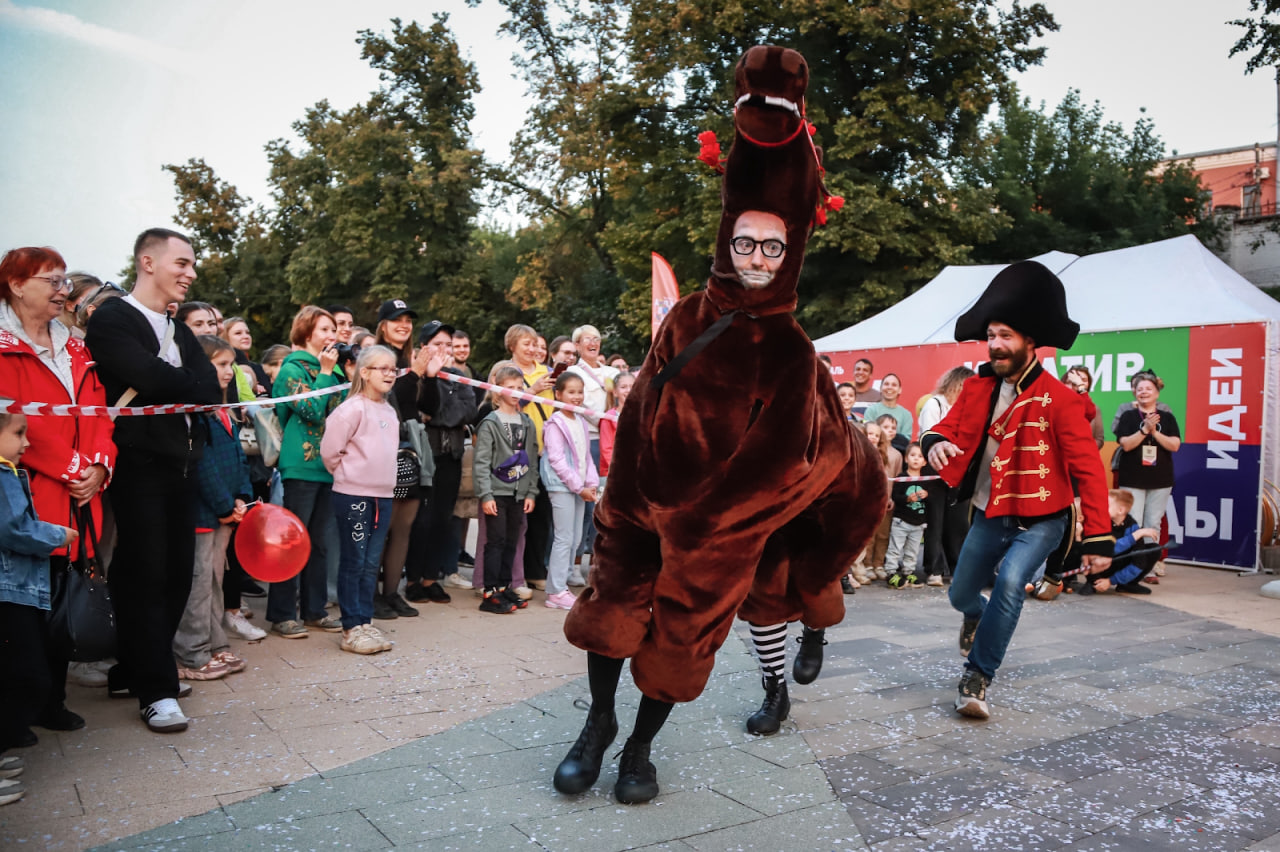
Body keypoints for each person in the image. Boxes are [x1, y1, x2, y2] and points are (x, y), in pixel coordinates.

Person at [553, 47, 884, 803]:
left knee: (679, 643)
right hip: (642, 502)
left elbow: (774, 464)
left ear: (789, 250)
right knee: (609, 614)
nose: (758, 257)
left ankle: (639, 748)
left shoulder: (794, 351)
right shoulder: (687, 320)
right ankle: (597, 724)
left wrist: (702, 527)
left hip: (716, 531)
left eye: (773, 246)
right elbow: (642, 408)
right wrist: (627, 497)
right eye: (746, 243)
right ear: (727, 242)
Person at [921, 260, 1113, 721]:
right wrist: (935, 443)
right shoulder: (977, 388)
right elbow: (946, 428)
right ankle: (974, 616)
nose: (995, 345)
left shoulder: (1064, 401)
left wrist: (1099, 535)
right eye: (991, 335)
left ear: (1030, 341)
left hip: (1044, 519)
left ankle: (977, 676)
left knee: (1010, 583)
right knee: (960, 594)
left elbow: (1088, 469)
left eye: (1005, 335)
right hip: (988, 513)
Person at [84, 228, 223, 733]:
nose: (190, 274)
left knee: (173, 574)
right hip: (138, 467)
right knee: (146, 576)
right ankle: (156, 689)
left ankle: (135, 668)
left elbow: (209, 390)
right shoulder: (114, 319)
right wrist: (185, 385)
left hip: (182, 466)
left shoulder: (176, 327)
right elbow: (167, 380)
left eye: (192, 265)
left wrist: (181, 385)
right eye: (181, 263)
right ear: (147, 262)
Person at [0, 246, 116, 721]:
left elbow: (100, 414)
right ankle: (19, 709)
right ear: (16, 285)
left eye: (64, 280)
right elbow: (17, 421)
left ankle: (52, 701)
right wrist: (74, 470)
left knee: (66, 595)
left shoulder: (76, 346)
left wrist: (100, 468)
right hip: (28, 494)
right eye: (51, 280)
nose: (62, 290)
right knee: (26, 607)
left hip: (81, 496)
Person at [0, 410, 79, 803]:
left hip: (16, 587)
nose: (26, 443)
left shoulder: (9, 471)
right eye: (18, 434)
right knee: (26, 675)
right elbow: (13, 529)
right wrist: (58, 534)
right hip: (9, 589)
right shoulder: (2, 475)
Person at [173, 335, 251, 681]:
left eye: (230, 364)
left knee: (215, 580)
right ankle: (191, 653)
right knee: (198, 583)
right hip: (203, 514)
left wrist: (241, 498)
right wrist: (223, 504)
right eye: (220, 364)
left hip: (224, 511)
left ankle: (215, 643)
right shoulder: (196, 412)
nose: (229, 372)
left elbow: (235, 458)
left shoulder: (221, 409)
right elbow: (202, 465)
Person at [267, 306, 347, 639]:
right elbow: (313, 410)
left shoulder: (336, 369)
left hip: (330, 465)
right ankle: (282, 614)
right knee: (292, 541)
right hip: (300, 465)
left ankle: (314, 610)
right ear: (306, 333)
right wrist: (327, 373)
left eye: (334, 329)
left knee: (320, 544)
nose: (333, 335)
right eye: (325, 330)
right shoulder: (292, 369)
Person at [321, 345, 400, 654]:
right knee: (354, 560)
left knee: (370, 562)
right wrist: (349, 474)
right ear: (364, 372)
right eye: (382, 368)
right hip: (354, 495)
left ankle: (365, 621)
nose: (390, 374)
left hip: (382, 496)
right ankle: (351, 627)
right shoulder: (351, 408)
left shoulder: (389, 411)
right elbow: (330, 451)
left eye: (393, 369)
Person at [403, 320, 476, 603]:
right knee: (420, 520)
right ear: (424, 347)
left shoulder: (459, 377)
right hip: (424, 457)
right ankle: (412, 580)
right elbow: (420, 409)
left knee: (443, 520)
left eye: (448, 344)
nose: (444, 350)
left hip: (452, 456)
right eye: (437, 344)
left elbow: (466, 412)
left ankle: (432, 578)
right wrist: (434, 412)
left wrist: (438, 417)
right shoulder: (414, 376)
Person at [371, 299, 425, 618]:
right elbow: (394, 401)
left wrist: (425, 377)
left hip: (409, 453)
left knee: (403, 525)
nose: (403, 325)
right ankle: (373, 595)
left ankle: (392, 593)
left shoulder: (411, 359)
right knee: (383, 525)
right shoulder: (375, 355)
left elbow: (420, 406)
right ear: (382, 325)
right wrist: (415, 374)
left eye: (407, 319)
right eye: (395, 320)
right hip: (381, 453)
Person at [472, 363, 540, 614]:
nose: (515, 391)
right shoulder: (490, 423)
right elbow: (481, 462)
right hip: (497, 492)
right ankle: (489, 592)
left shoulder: (526, 422)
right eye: (509, 387)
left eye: (519, 387)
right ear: (497, 391)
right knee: (496, 541)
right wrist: (485, 494)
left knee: (512, 540)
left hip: (518, 493)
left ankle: (503, 586)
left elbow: (531, 459)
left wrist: (531, 491)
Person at [541, 372, 600, 610]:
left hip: (579, 489)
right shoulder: (556, 423)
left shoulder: (581, 421)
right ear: (558, 394)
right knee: (564, 537)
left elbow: (586, 457)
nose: (577, 397)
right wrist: (578, 486)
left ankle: (561, 583)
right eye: (571, 392)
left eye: (580, 391)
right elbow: (557, 460)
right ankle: (555, 591)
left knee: (576, 538)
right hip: (562, 487)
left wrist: (591, 483)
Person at [1113, 370, 1180, 570]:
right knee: (1133, 523)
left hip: (1160, 479)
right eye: (1140, 389)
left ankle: (1147, 567)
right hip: (1132, 478)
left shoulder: (1166, 417)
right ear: (1135, 392)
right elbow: (1126, 444)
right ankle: (1129, 565)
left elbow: (1174, 445)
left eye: (1148, 389)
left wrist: (1154, 433)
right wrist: (1144, 430)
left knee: (1153, 523)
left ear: (1157, 393)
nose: (1144, 392)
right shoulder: (1127, 415)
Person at [505, 324, 555, 591]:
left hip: (545, 450)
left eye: (535, 344)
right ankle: (515, 573)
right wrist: (532, 389)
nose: (533, 349)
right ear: (512, 345)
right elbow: (503, 403)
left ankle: (536, 569)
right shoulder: (504, 371)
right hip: (515, 449)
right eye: (526, 343)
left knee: (541, 513)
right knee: (516, 514)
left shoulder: (547, 372)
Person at [567, 324, 619, 573]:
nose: (593, 342)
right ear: (577, 345)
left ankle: (598, 562)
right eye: (587, 339)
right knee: (588, 502)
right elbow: (577, 404)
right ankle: (575, 563)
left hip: (615, 440)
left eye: (597, 339)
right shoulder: (573, 371)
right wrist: (606, 419)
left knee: (609, 503)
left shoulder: (610, 371)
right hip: (588, 440)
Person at [918, 366, 975, 586]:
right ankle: (934, 568)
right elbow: (928, 434)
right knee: (936, 519)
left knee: (959, 521)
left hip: (959, 468)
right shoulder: (935, 404)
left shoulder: (968, 408)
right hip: (935, 466)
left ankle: (957, 567)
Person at [1077, 489, 1161, 596]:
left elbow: (1139, 562)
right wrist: (1135, 536)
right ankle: (1092, 582)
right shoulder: (1098, 523)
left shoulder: (1132, 526)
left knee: (1153, 550)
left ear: (1120, 510)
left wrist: (1111, 581)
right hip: (1100, 565)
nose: (1100, 507)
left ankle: (1128, 584)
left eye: (1106, 505)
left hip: (1118, 564)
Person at [885, 443, 928, 589]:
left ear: (925, 462)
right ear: (906, 459)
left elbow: (932, 500)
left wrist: (927, 495)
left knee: (912, 550)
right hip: (901, 521)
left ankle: (908, 572)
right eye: (913, 455)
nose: (916, 459)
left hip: (918, 523)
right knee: (895, 548)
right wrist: (907, 499)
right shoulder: (901, 477)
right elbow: (896, 496)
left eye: (920, 456)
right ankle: (891, 572)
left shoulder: (926, 480)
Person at [598, 372, 634, 486]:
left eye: (633, 386)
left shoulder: (644, 415)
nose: (628, 390)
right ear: (615, 392)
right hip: (614, 474)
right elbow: (606, 449)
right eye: (623, 387)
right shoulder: (608, 417)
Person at [221, 317, 269, 398]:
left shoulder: (257, 368)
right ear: (225, 337)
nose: (246, 336)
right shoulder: (224, 368)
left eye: (247, 333)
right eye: (238, 333)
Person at [1062, 366, 1103, 449]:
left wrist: (1085, 449)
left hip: (1084, 456)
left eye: (1083, 380)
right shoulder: (1056, 403)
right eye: (1074, 380)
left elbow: (1099, 439)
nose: (1077, 383)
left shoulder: (1092, 408)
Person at [865, 373, 912, 444]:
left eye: (894, 385)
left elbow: (906, 440)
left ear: (900, 390)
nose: (890, 387)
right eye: (886, 384)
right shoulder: (871, 410)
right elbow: (867, 434)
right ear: (880, 388)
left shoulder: (906, 415)